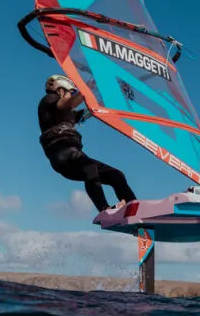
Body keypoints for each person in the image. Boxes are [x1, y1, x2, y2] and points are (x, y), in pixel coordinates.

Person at [38, 73, 138, 212]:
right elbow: (68, 104)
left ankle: (134, 207)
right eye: (71, 93)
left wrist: (117, 92)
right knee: (90, 168)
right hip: (62, 154)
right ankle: (105, 210)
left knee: (116, 175)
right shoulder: (49, 99)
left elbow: (93, 109)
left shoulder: (68, 113)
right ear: (61, 90)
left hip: (73, 158)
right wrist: (88, 87)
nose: (73, 96)